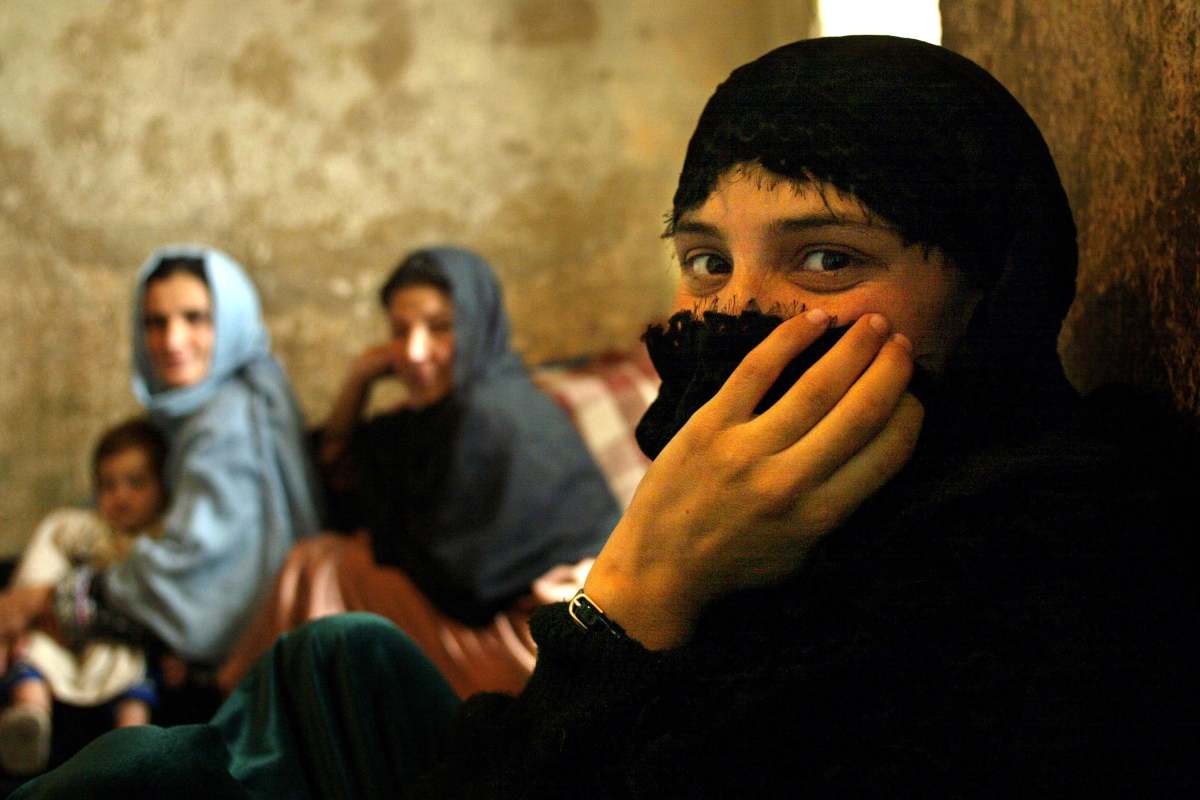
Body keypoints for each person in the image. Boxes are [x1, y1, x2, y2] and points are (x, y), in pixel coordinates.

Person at [12, 36, 1197, 798]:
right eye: (702, 258)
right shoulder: (828, 520)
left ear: (997, 293)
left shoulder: (1042, 565)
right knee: (339, 654)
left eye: (828, 256)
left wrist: (633, 590)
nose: (739, 312)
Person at [217, 247, 621, 697]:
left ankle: (248, 704)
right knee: (327, 561)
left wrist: (381, 537)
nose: (413, 352)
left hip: (541, 635)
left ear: (478, 326)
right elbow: (344, 462)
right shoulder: (445, 411)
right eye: (399, 332)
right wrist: (358, 380)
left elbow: (466, 585)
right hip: (507, 610)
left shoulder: (492, 414)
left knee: (317, 568)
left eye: (440, 328)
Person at [0, 246, 321, 691]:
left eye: (196, 318)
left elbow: (194, 580)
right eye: (155, 322)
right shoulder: (194, 411)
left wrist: (44, 601)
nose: (172, 341)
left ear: (229, 322)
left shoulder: (228, 426)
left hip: (221, 647)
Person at [0, 418, 169, 776]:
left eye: (136, 483)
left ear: (163, 487)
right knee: (34, 653)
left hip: (118, 642)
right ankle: (29, 719)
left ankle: (133, 747)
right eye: (108, 485)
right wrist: (24, 611)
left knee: (136, 675)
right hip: (65, 632)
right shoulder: (88, 528)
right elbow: (50, 546)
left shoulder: (163, 541)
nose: (120, 495)